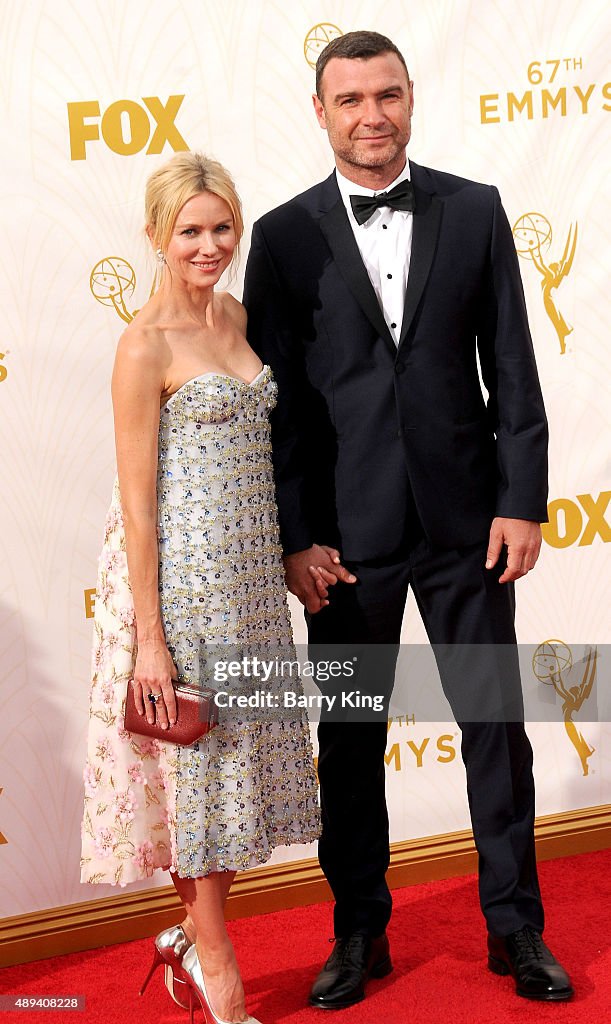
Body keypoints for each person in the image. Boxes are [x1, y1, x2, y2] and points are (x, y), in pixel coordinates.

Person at [243, 30, 573, 1008]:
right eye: (348, 100)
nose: (370, 115)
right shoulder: (282, 235)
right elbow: (281, 406)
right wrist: (295, 536)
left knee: (493, 730)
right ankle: (358, 934)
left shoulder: (470, 211)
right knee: (350, 740)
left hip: (466, 528)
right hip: (343, 543)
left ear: (410, 97)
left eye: (384, 95)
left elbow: (509, 364)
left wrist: (520, 500)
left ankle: (516, 931)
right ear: (319, 112)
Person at [81, 151, 320, 1024]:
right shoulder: (142, 346)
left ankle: (189, 936)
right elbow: (137, 507)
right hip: (182, 590)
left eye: (223, 227)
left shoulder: (236, 315)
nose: (210, 245)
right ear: (154, 236)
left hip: (251, 584)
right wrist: (151, 635)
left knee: (232, 775)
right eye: (190, 231)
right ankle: (215, 962)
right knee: (199, 775)